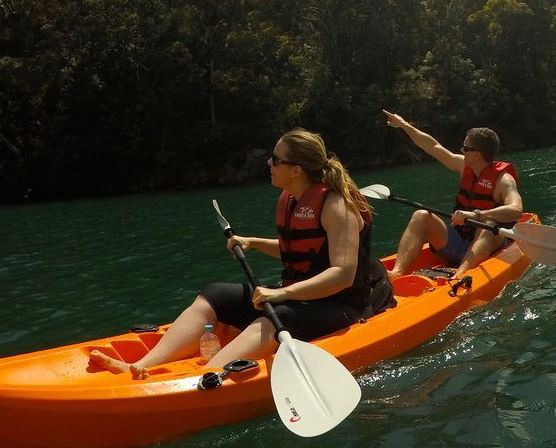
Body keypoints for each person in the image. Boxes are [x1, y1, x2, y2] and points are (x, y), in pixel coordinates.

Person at [89, 129, 394, 378]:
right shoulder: (294, 199)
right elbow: (302, 252)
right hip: (298, 298)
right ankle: (142, 365)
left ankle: (204, 378)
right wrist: (253, 242)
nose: (269, 164)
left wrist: (280, 294)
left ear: (296, 170)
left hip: (341, 306)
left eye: (275, 160)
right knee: (215, 293)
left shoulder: (336, 206)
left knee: (275, 317)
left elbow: (341, 275)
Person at [381, 110, 523, 279]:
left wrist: (477, 214)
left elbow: (516, 210)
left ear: (477, 154)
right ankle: (396, 274)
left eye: (465, 147)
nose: (461, 150)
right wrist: (404, 125)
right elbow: (433, 147)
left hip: (488, 244)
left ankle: (459, 276)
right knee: (421, 215)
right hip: (459, 240)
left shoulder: (503, 180)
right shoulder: (464, 166)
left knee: (488, 223)